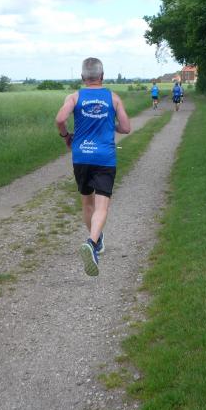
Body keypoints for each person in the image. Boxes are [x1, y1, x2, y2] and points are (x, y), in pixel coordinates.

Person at [55, 58, 131, 276]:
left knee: (87, 203)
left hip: (81, 157)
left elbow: (60, 119)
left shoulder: (74, 97)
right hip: (104, 158)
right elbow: (126, 128)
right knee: (102, 206)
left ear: (82, 77)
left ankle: (96, 241)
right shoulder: (113, 98)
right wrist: (111, 125)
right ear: (102, 76)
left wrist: (66, 136)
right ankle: (92, 242)